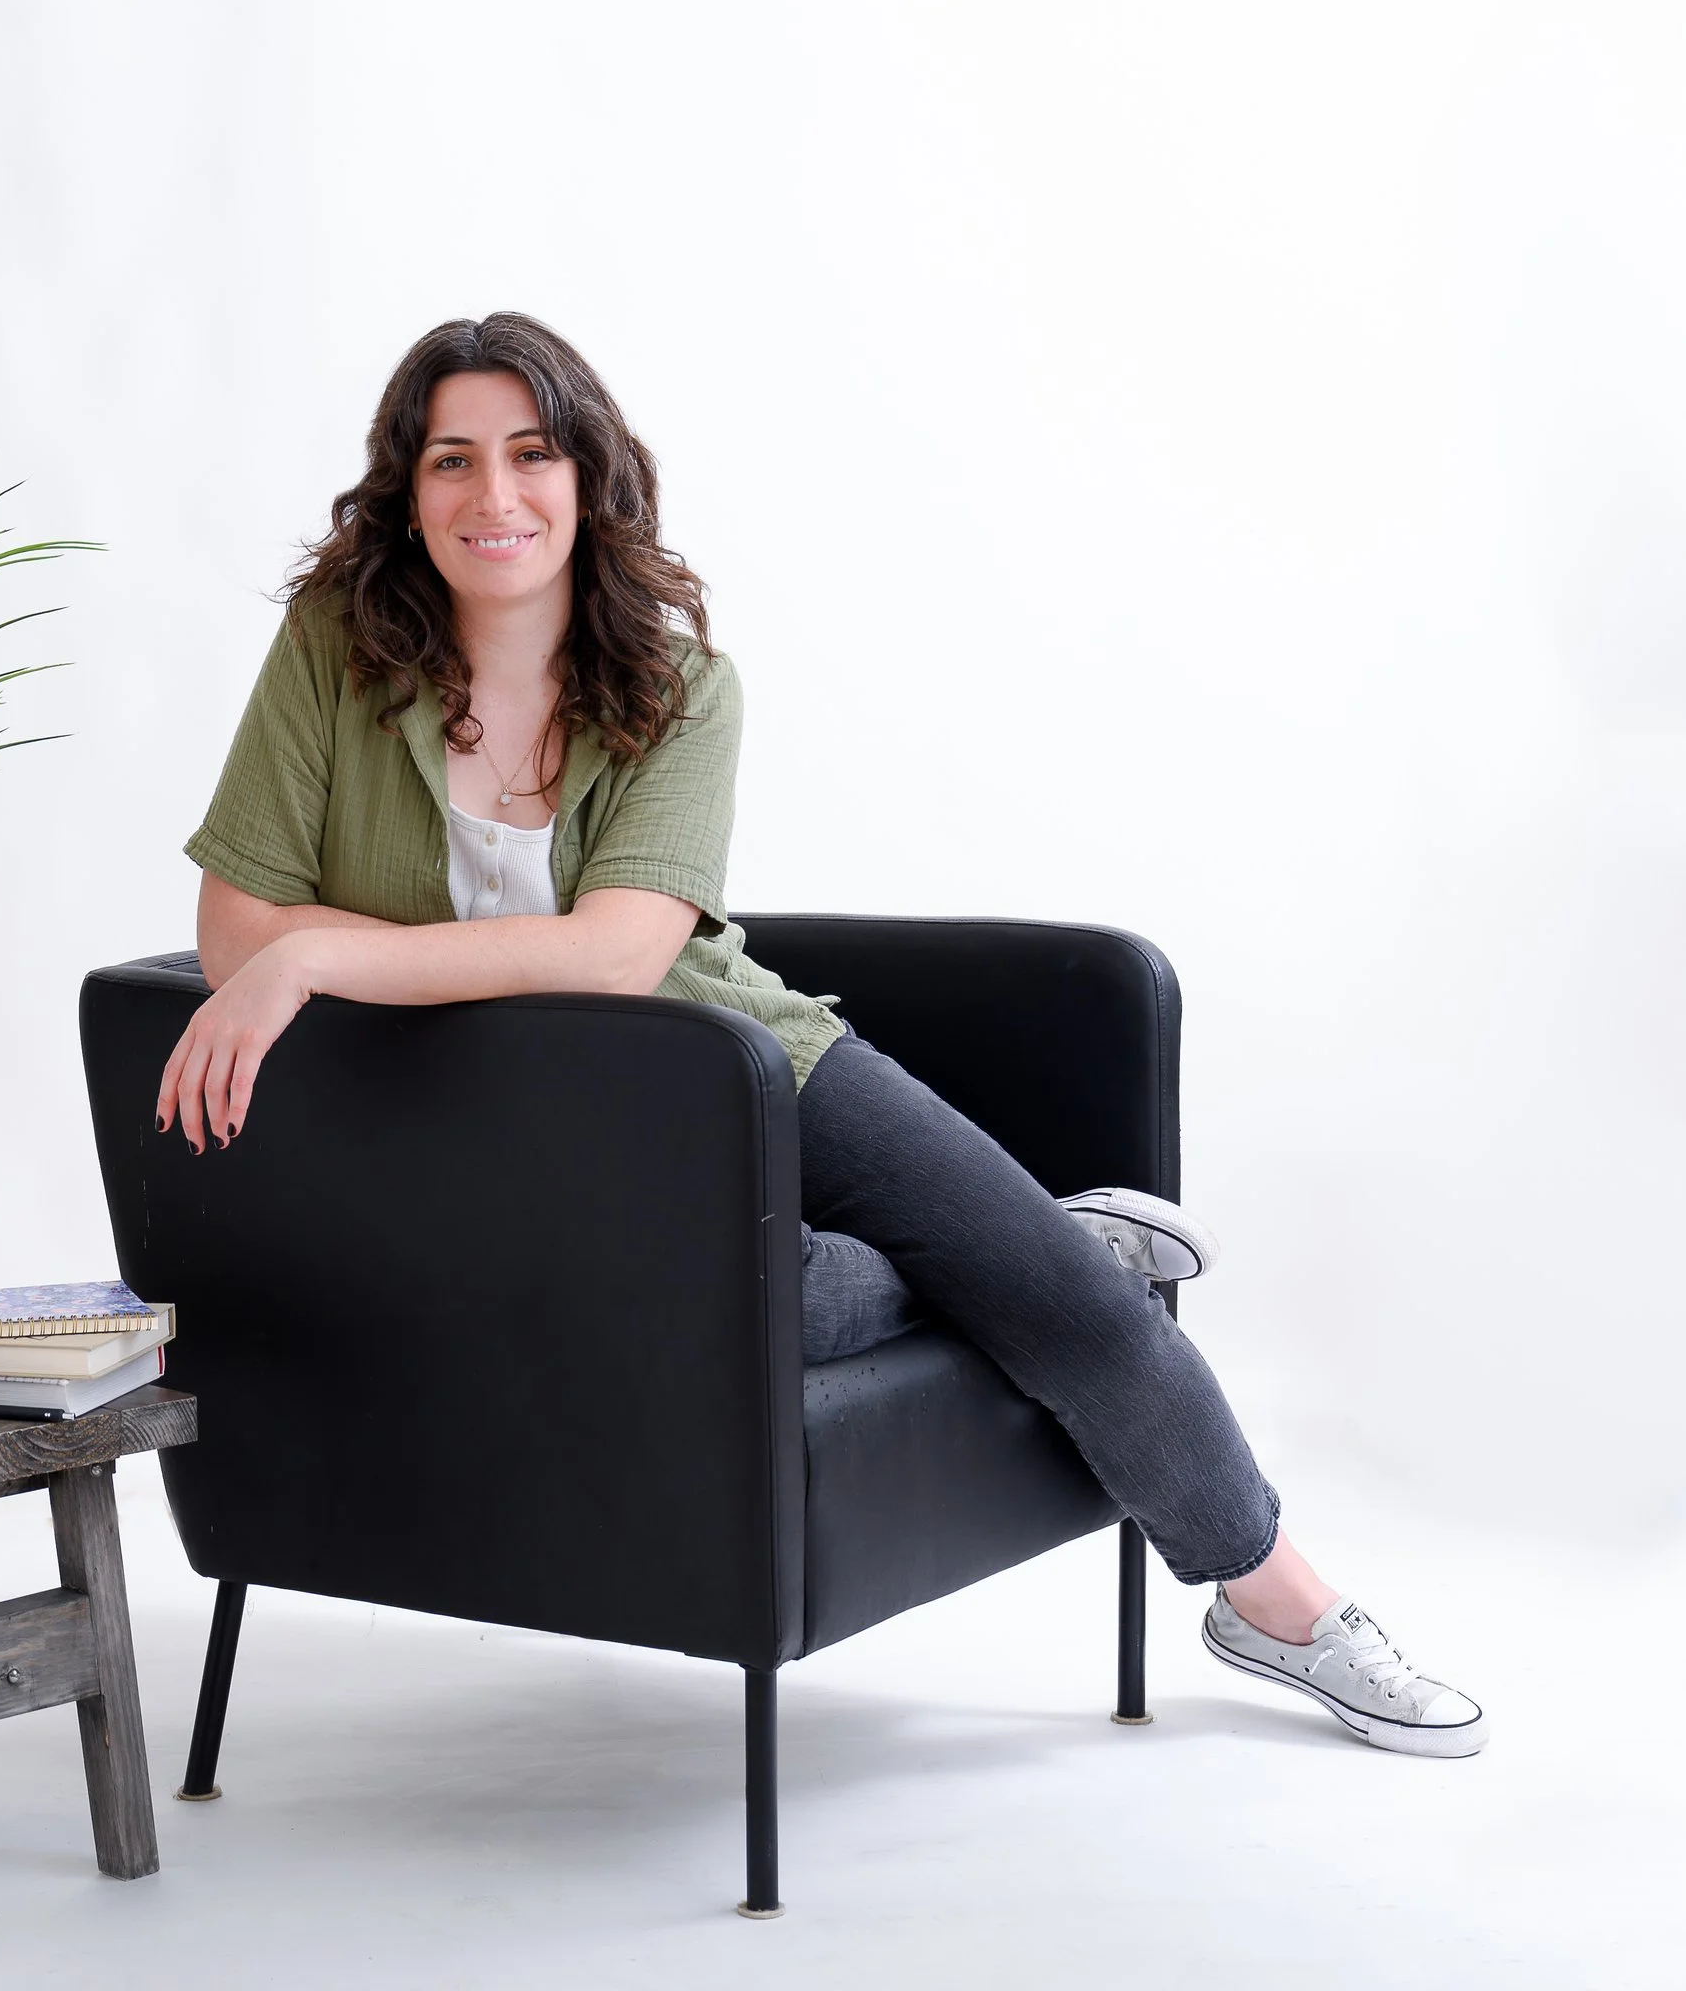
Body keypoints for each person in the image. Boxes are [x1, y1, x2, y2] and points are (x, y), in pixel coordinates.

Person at [158, 312, 1486, 1759]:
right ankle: (1034, 1245)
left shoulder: (679, 689)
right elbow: (235, 927)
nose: (495, 497)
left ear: (587, 477)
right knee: (769, 1290)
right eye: (453, 460)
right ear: (406, 492)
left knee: (1069, 1302)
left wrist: (332, 954)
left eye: (532, 455)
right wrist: (287, 959)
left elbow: (620, 954)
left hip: (739, 1061)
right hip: (504, 1137)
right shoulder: (332, 654)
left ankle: (1275, 1598)